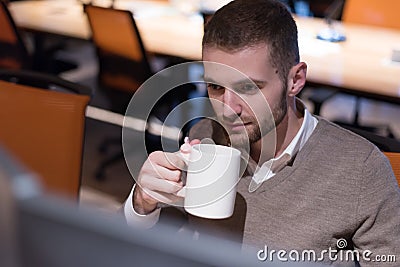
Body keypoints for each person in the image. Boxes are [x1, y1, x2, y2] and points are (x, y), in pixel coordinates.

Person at [123, 0, 400, 265]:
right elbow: (151, 246)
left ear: (295, 80)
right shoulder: (206, 135)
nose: (228, 109)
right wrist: (143, 203)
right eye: (216, 87)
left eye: (248, 88)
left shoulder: (361, 171)